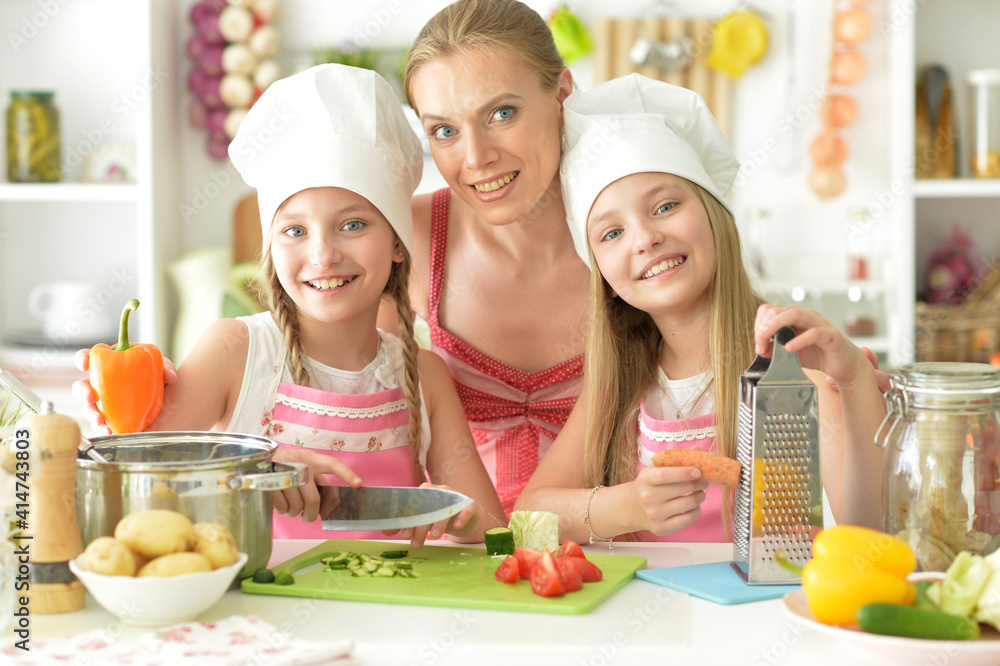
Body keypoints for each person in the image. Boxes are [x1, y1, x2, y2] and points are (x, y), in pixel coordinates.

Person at [76, 64, 504, 547]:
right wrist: (255, 466)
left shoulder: (425, 377)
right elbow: (136, 479)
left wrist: (456, 516)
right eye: (295, 231)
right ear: (272, 250)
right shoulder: (236, 351)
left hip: (389, 611)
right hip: (255, 611)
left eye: (354, 224)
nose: (323, 254)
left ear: (399, 242)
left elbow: (492, 530)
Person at [515, 74, 887, 544]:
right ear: (604, 282)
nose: (645, 238)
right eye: (611, 233)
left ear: (716, 218)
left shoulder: (794, 361)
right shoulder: (623, 386)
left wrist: (852, 380)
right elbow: (529, 518)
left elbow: (870, 531)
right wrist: (626, 506)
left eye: (666, 206)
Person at [387, 0, 591, 515]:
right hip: (457, 561)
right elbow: (350, 400)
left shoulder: (630, 234)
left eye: (501, 114)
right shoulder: (406, 238)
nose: (476, 159)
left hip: (617, 560)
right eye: (444, 130)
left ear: (562, 93)